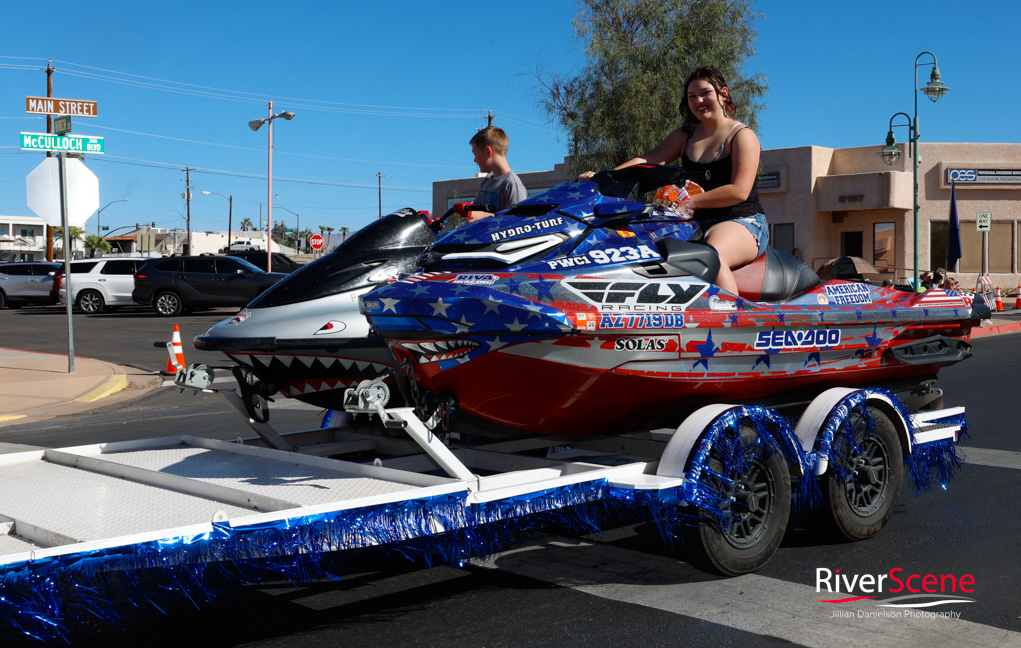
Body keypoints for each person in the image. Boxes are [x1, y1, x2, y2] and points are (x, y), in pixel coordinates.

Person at [579, 66, 767, 295]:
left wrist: (690, 202)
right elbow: (648, 160)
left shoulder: (742, 135)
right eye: (691, 97)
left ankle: (732, 318)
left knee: (707, 254)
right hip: (693, 220)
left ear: (723, 93)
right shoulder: (685, 136)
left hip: (741, 220)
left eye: (705, 93)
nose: (699, 100)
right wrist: (603, 177)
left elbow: (739, 191)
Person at [456, 126, 527, 226]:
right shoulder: (487, 181)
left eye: (475, 154)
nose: (474, 160)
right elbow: (475, 211)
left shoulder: (512, 184)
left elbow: (519, 222)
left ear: (488, 152)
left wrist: (486, 216)